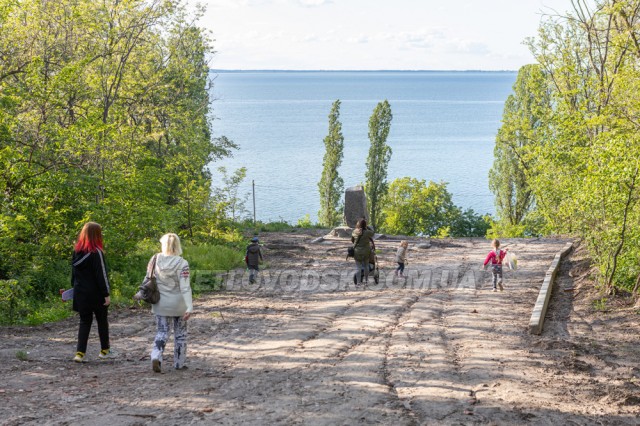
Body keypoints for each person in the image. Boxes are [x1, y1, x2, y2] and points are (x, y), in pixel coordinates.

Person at [149, 233, 192, 372]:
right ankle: (179, 363)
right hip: (178, 304)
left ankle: (156, 355)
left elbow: (148, 279)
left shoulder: (155, 259)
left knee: (162, 331)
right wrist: (189, 306)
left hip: (160, 303)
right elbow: (185, 287)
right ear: (177, 245)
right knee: (180, 334)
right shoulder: (182, 263)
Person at [71, 222, 112, 362]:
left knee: (84, 322)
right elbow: (102, 275)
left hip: (81, 294)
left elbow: (74, 276)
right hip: (97, 295)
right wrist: (106, 294)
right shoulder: (97, 253)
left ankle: (80, 353)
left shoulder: (76, 252)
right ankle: (104, 350)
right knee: (102, 321)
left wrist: (73, 291)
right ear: (97, 235)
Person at [351, 219, 375, 285]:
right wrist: (367, 227)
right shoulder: (367, 232)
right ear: (365, 225)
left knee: (358, 267)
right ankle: (366, 281)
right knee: (366, 266)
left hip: (357, 252)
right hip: (366, 251)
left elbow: (352, 240)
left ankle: (358, 282)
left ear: (358, 224)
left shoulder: (354, 232)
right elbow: (373, 233)